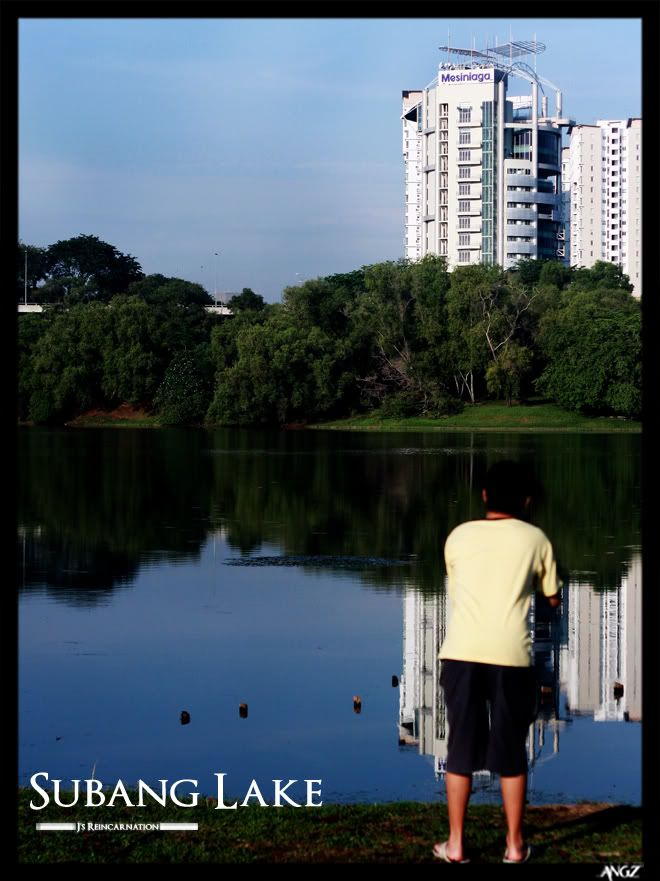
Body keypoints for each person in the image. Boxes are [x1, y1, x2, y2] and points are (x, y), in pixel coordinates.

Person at [433, 460, 562, 865]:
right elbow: (553, 598)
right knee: (511, 749)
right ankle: (514, 846)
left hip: (461, 653)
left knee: (460, 746)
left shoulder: (458, 537)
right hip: (512, 657)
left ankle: (455, 845)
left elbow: (459, 583)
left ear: (484, 495)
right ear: (527, 499)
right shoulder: (536, 539)